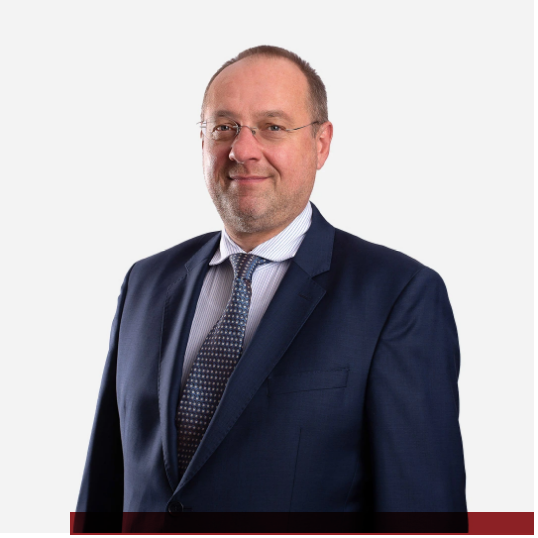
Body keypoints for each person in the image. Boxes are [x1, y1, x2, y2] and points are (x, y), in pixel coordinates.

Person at [75, 45, 467, 533]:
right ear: (202, 140)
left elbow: (423, 516)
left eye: (273, 127)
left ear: (321, 143)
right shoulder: (146, 283)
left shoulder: (397, 296)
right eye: (224, 127)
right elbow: (104, 490)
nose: (242, 150)